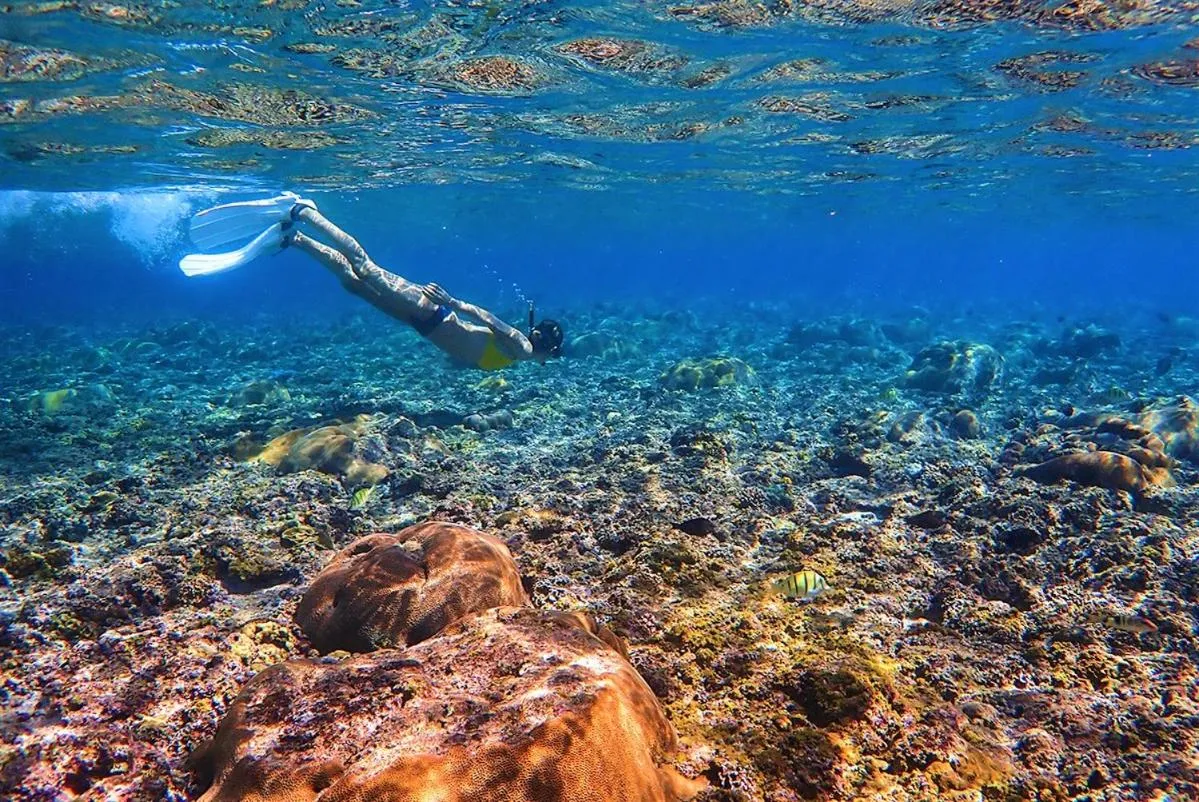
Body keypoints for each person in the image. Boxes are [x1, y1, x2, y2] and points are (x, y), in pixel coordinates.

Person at [179, 193, 563, 370]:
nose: (549, 362)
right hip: (431, 312)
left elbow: (475, 346)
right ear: (547, 347)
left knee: (354, 284)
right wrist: (454, 301)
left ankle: (294, 239)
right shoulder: (524, 348)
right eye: (553, 356)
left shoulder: (521, 355)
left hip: (422, 324)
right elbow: (490, 320)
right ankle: (306, 212)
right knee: (364, 268)